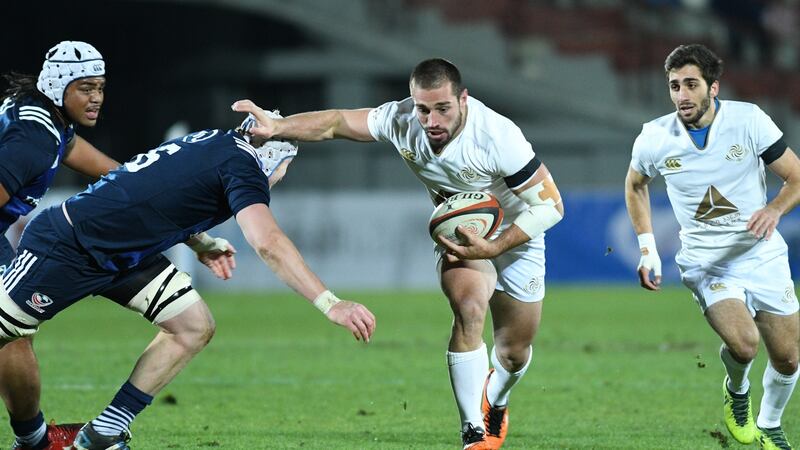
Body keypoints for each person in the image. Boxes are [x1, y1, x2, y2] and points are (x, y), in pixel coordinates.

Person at [232, 57, 564, 450]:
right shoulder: (402, 120)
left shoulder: (498, 137)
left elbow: (552, 206)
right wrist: (279, 127)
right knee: (469, 307)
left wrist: (495, 246)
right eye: (423, 109)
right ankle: (473, 432)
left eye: (443, 108)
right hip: (461, 232)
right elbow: (337, 122)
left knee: (512, 353)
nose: (432, 120)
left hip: (516, 233)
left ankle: (497, 398)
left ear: (464, 99)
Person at [0, 112, 377, 450]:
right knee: (4, 332)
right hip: (69, 245)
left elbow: (160, 194)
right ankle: (32, 442)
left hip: (123, 255)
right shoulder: (245, 167)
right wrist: (330, 303)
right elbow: (268, 242)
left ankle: (103, 433)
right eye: (287, 165)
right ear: (276, 155)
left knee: (192, 326)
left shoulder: (214, 140)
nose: (282, 176)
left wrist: (203, 242)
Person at [625, 44, 800, 450]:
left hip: (762, 253)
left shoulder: (748, 121)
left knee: (789, 358)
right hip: (708, 264)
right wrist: (648, 249)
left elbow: (795, 177)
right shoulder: (654, 137)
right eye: (674, 86)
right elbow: (635, 185)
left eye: (690, 84)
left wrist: (773, 210)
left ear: (713, 87)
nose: (681, 96)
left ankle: (770, 425)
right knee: (744, 344)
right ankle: (737, 393)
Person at [0, 40, 123, 450]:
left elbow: (87, 159)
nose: (96, 98)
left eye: (100, 87)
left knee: (11, 329)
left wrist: (144, 181)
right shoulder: (33, 138)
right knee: (12, 329)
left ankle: (32, 440)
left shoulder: (48, 121)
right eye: (85, 88)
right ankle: (33, 442)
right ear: (58, 87)